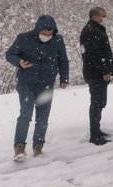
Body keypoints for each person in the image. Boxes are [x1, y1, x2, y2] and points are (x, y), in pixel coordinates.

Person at [5, 14, 69, 161]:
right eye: (44, 32)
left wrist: (64, 78)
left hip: (46, 84)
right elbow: (9, 54)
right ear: (37, 30)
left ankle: (38, 146)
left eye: (50, 32)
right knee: (25, 115)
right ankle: (19, 147)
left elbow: (63, 60)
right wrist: (19, 62)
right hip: (26, 83)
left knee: (43, 118)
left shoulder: (58, 40)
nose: (47, 35)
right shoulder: (23, 38)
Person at [80, 7, 113, 146]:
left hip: (94, 72)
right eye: (102, 16)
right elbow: (94, 56)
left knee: (99, 102)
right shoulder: (92, 32)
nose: (104, 19)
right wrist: (104, 71)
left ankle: (97, 130)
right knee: (97, 103)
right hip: (96, 74)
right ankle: (95, 135)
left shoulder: (92, 30)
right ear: (94, 17)